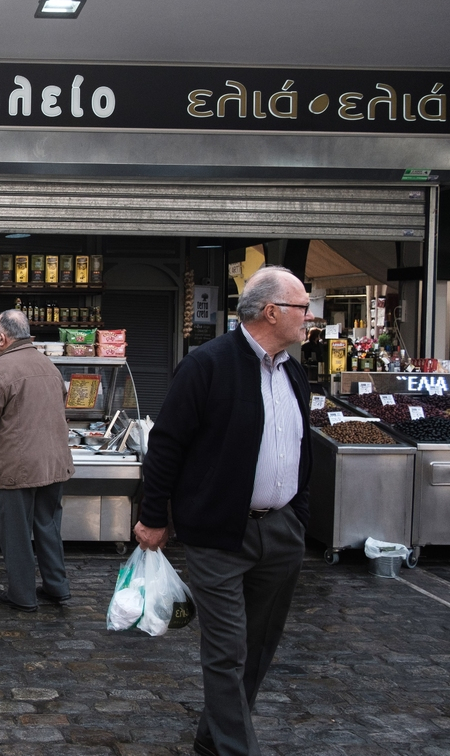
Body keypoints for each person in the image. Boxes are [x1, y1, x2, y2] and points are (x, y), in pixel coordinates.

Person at [135, 265, 314, 756]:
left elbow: (298, 446)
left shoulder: (292, 369)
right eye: (303, 307)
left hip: (280, 532)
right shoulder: (208, 364)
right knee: (227, 651)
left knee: (258, 649)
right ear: (273, 311)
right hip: (218, 535)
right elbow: (167, 445)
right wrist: (153, 517)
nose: (309, 317)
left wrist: (299, 515)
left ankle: (212, 740)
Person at [0, 309, 75, 612]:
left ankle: (22, 595)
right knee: (48, 526)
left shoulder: (0, 369)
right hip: (54, 462)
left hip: (18, 465)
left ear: (2, 337)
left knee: (15, 531)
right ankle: (57, 587)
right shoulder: (49, 365)